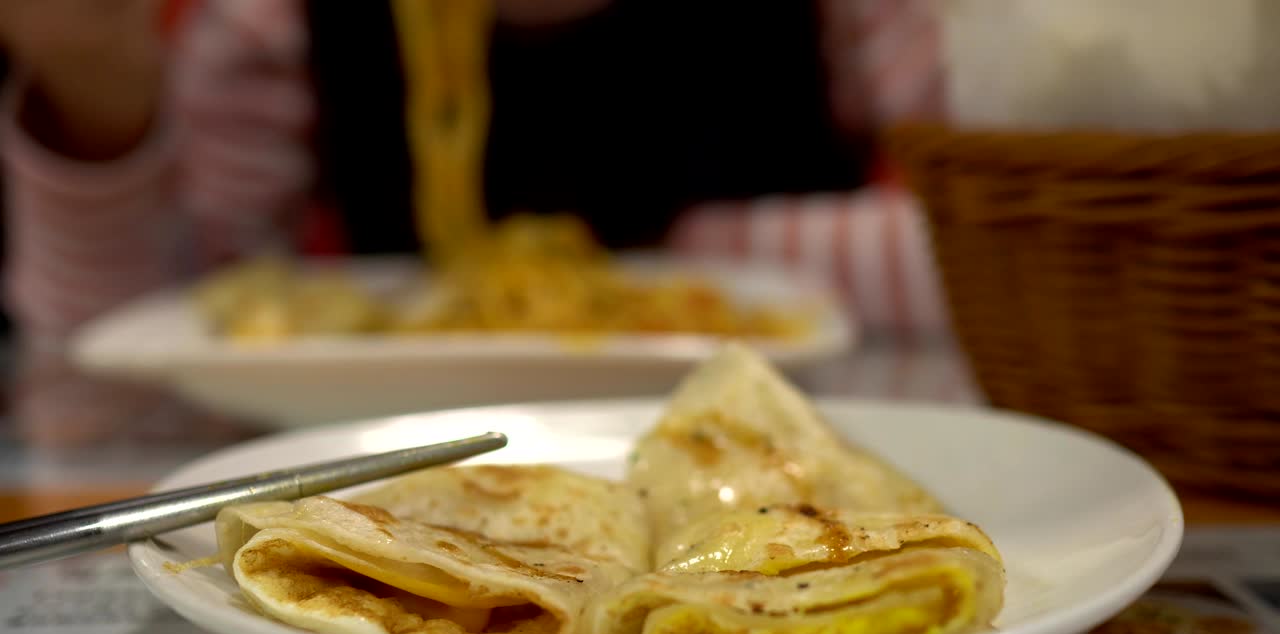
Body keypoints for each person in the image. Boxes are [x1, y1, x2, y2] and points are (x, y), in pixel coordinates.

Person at [0, 0, 952, 446]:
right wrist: (97, 85)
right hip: (371, 464)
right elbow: (134, 327)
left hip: (791, 446)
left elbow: (1019, 236)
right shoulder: (269, 24)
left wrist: (640, 269)